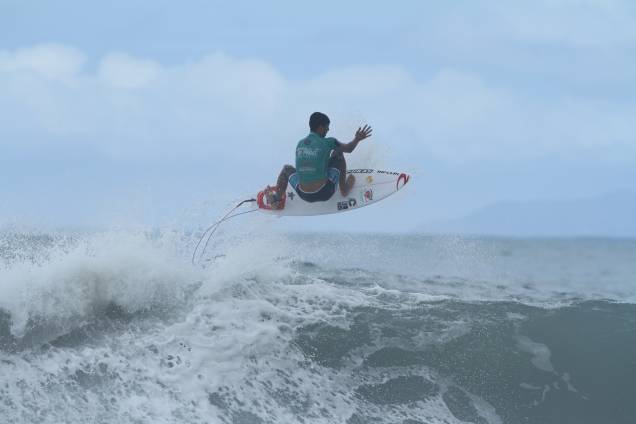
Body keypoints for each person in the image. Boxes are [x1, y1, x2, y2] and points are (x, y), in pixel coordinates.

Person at [268, 112, 372, 209]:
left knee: (286, 169)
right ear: (320, 127)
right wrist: (357, 139)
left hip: (303, 194)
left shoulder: (300, 144)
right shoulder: (329, 142)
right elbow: (349, 149)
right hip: (324, 192)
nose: (328, 130)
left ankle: (277, 198)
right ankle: (344, 189)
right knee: (338, 153)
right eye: (327, 127)